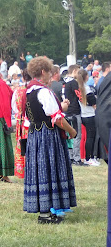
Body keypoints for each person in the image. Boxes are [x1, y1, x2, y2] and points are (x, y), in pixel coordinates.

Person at [23, 56, 77, 224]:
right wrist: (72, 131)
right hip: (47, 136)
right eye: (50, 72)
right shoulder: (44, 92)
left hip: (35, 136)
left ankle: (45, 212)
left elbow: (28, 118)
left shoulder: (29, 90)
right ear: (43, 72)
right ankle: (48, 213)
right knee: (50, 169)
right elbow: (57, 119)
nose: (51, 75)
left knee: (41, 171)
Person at [64, 64, 86, 166]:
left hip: (67, 111)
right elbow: (79, 95)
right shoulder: (73, 83)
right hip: (74, 111)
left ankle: (71, 157)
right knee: (77, 135)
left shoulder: (64, 82)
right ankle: (77, 158)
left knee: (69, 136)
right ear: (74, 71)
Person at [76, 69, 99, 166]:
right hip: (90, 115)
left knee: (88, 137)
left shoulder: (79, 88)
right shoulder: (87, 89)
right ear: (86, 77)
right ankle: (89, 158)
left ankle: (88, 157)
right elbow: (94, 103)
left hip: (83, 115)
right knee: (91, 137)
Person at [11, 69, 31, 178]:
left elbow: (14, 107)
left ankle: (21, 169)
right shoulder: (34, 90)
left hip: (21, 122)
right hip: (31, 122)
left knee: (21, 145)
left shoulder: (17, 91)